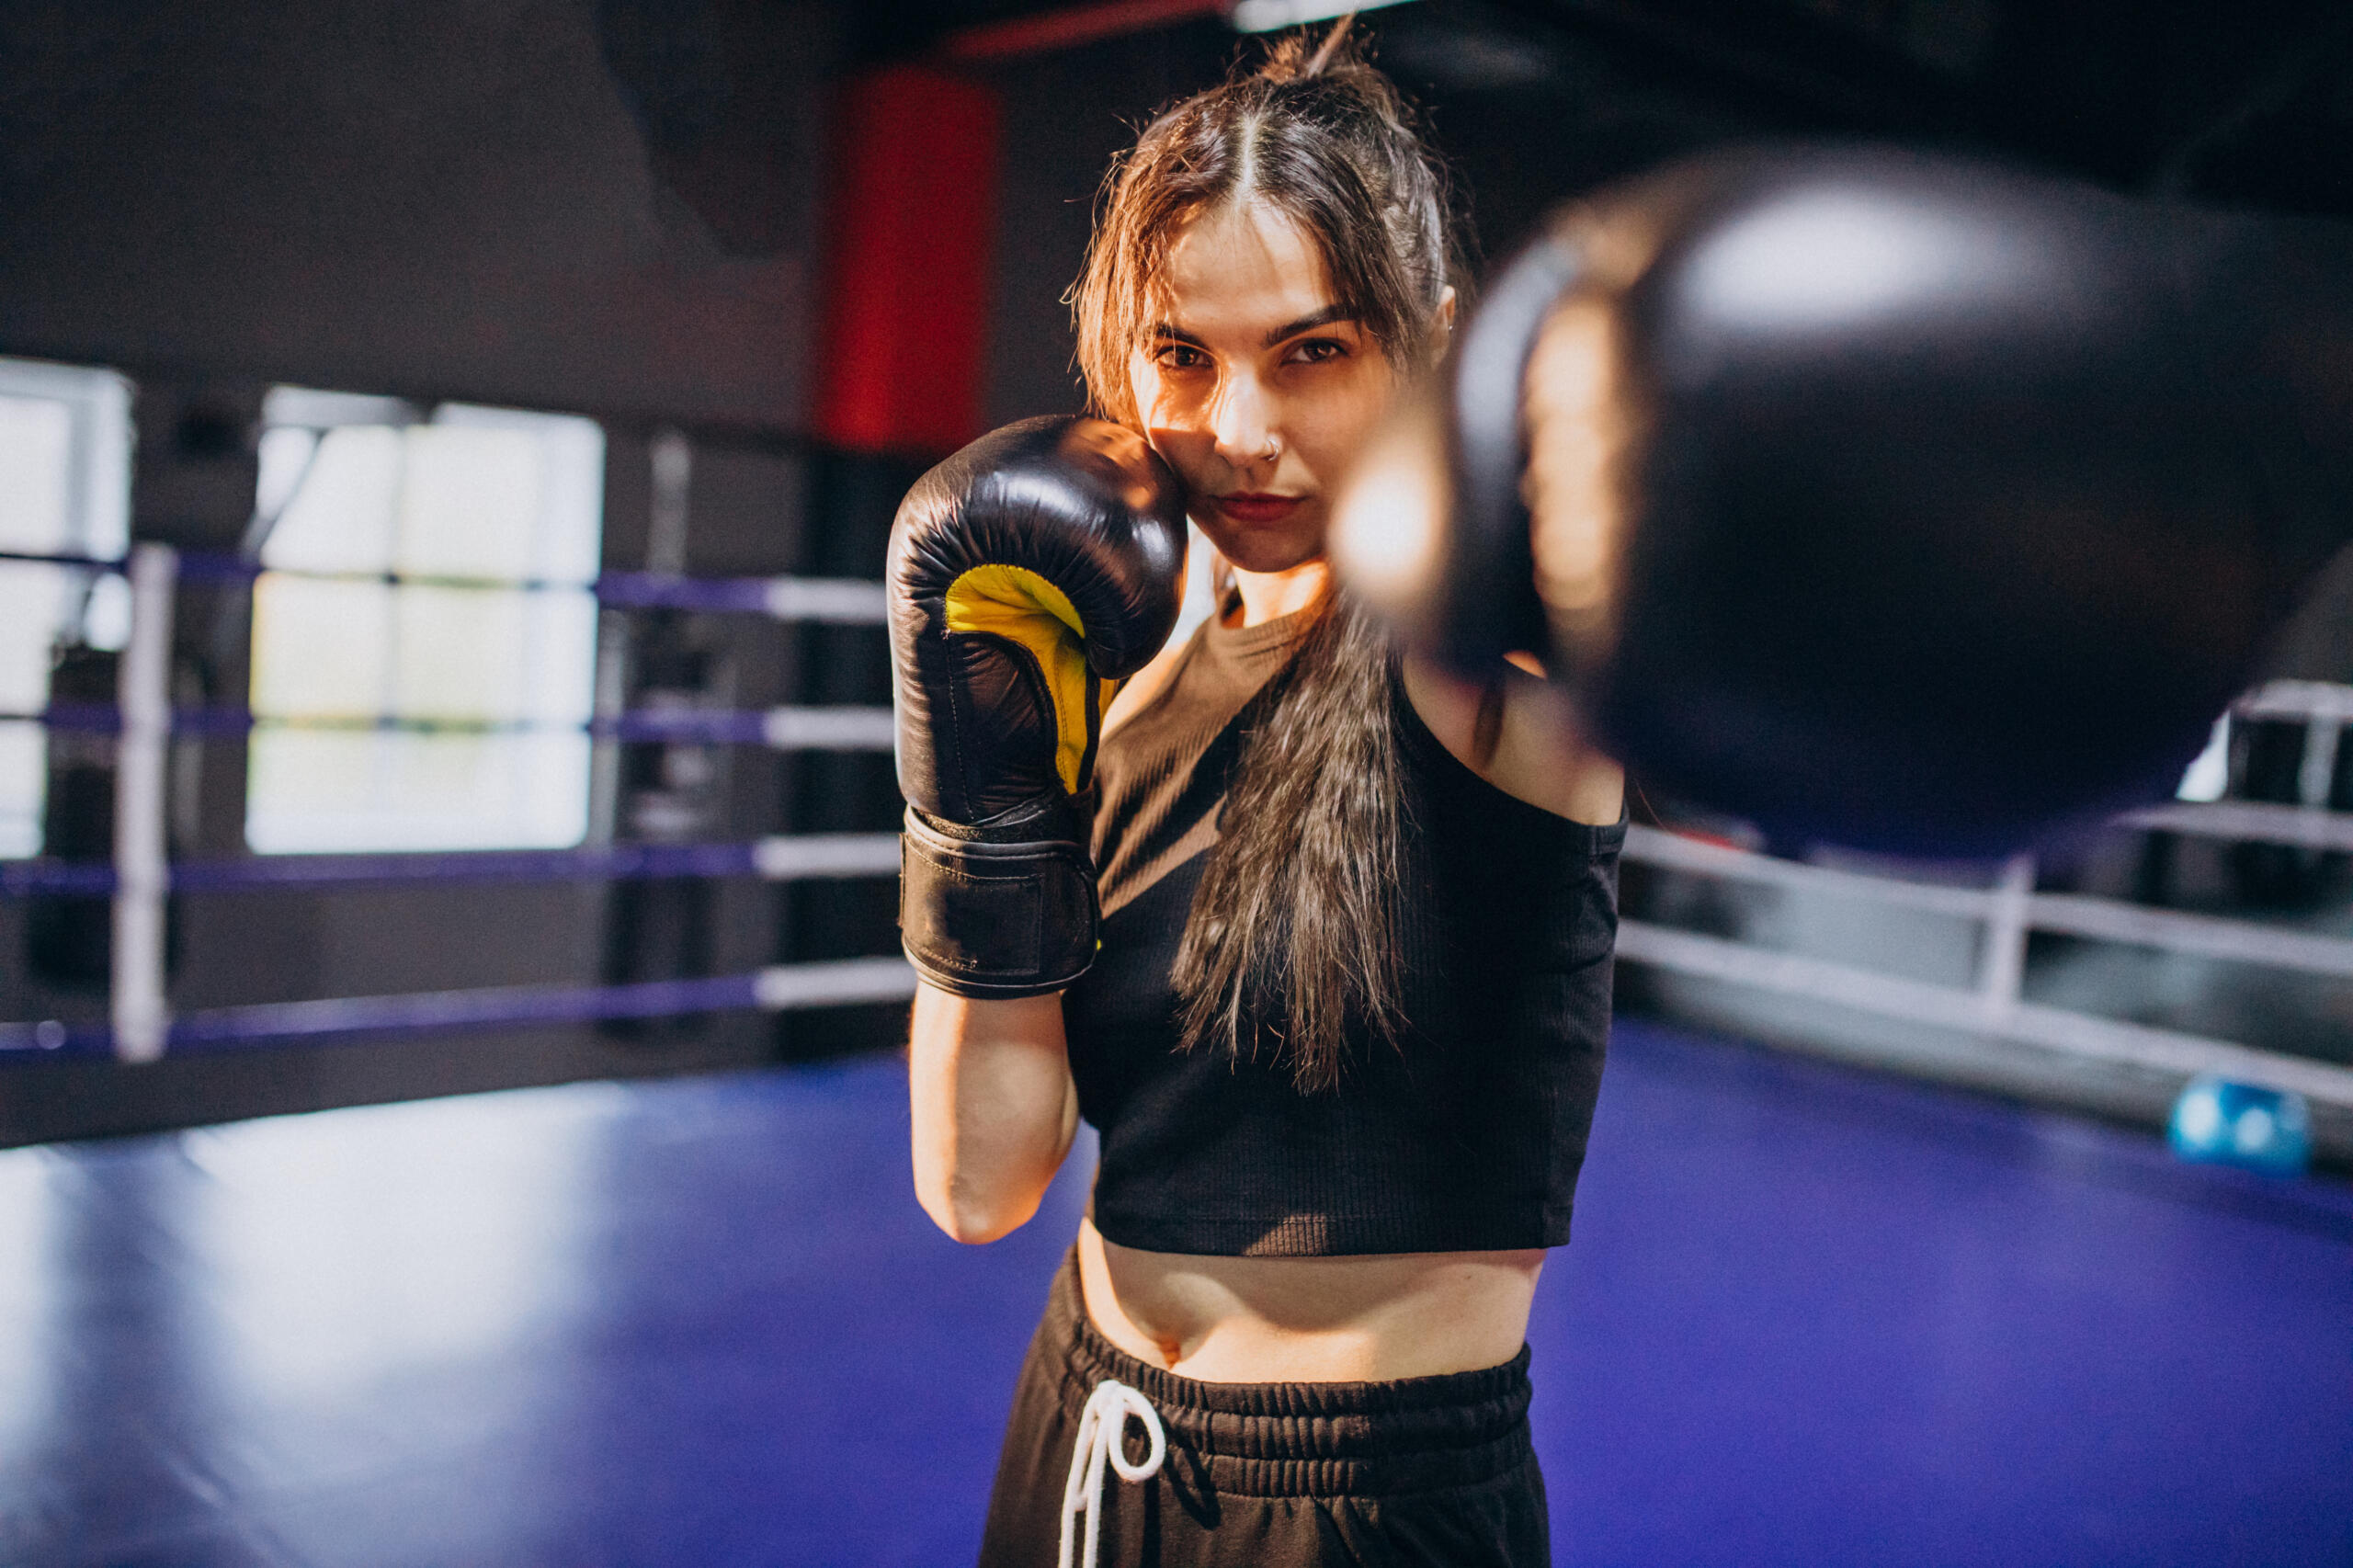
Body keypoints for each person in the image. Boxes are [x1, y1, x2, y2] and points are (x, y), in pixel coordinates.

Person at [900, 24, 1625, 1566]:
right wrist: (981, 800)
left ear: (1423, 341)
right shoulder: (1114, 691)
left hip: (1359, 1506)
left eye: (1312, 349)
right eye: (1182, 354)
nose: (1238, 429)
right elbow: (977, 1182)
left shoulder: (1487, 670)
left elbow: (1639, 566)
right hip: (1083, 1434)